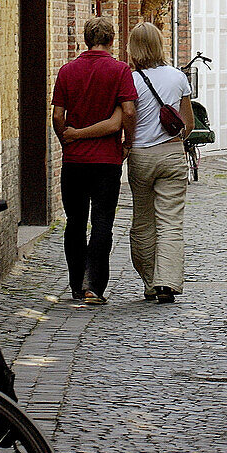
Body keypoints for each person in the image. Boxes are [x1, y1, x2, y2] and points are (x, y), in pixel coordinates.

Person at [52, 15, 137, 304]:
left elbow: (56, 116)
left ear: (85, 40)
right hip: (106, 161)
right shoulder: (120, 70)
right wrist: (128, 142)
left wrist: (66, 138)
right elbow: (128, 111)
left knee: (74, 222)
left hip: (74, 161)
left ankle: (76, 284)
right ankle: (94, 287)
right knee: (102, 223)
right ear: (112, 40)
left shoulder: (67, 71)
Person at [127, 22, 194, 303]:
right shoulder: (177, 77)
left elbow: (127, 118)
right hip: (171, 154)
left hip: (140, 156)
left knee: (142, 221)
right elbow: (188, 124)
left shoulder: (129, 80)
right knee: (170, 222)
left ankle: (150, 281)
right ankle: (166, 282)